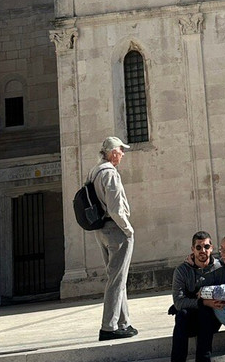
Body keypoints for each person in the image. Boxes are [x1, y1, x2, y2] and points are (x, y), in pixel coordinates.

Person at [90, 136, 138, 341]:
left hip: (101, 229)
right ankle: (108, 327)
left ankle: (122, 323)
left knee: (118, 278)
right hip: (115, 229)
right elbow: (116, 208)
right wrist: (129, 230)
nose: (123, 154)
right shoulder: (109, 173)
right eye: (121, 150)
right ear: (112, 152)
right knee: (116, 279)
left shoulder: (94, 171)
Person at [170, 231, 225, 362]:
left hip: (211, 318)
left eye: (206, 247)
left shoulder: (220, 269)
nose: (203, 250)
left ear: (212, 248)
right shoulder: (182, 271)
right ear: (193, 249)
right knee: (182, 315)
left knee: (206, 314)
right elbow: (178, 302)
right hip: (191, 319)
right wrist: (203, 302)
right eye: (198, 247)